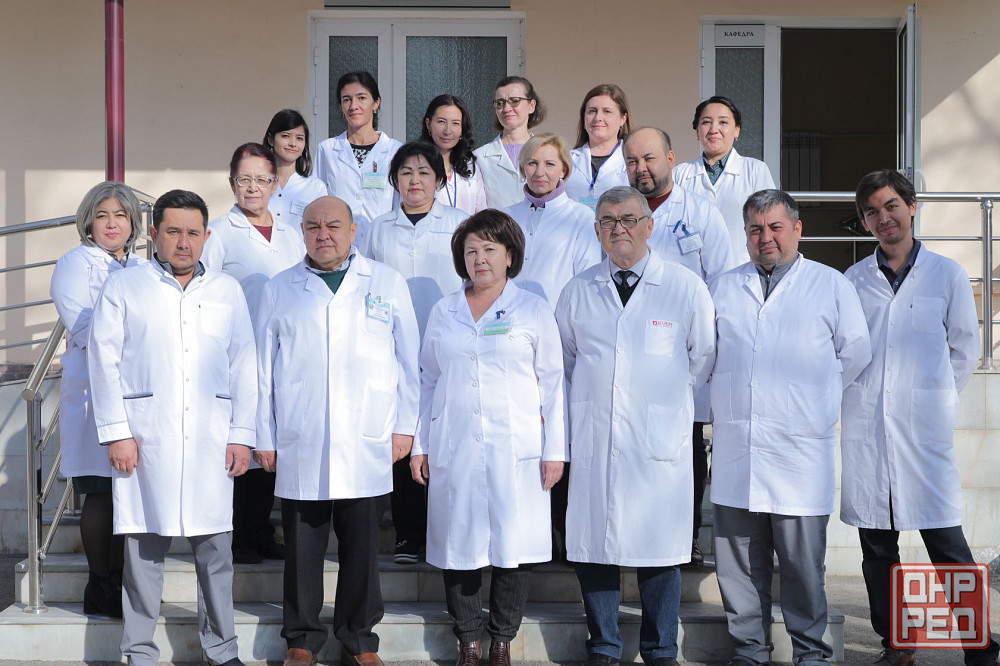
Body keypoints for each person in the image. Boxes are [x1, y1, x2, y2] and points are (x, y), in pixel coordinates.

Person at [88, 189, 256, 666]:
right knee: (143, 553)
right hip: (146, 438)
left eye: (193, 232)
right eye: (174, 231)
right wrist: (117, 432)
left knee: (216, 553)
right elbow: (103, 360)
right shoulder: (125, 287)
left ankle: (221, 650)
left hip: (211, 440)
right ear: (154, 234)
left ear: (206, 236)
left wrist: (242, 435)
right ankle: (139, 651)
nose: (184, 242)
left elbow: (245, 365)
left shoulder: (226, 290)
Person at [841, 169, 1000, 666]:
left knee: (947, 545)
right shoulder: (853, 280)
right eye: (872, 212)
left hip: (922, 430)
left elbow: (964, 348)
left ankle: (981, 646)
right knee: (877, 549)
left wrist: (935, 400)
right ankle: (897, 644)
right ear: (865, 223)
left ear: (911, 206)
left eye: (891, 206)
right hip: (869, 429)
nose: (883, 218)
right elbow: (845, 350)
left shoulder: (946, 274)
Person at [255, 196, 420, 666]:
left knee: (362, 546)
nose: (322, 234)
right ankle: (302, 639)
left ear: (353, 231)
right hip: (302, 432)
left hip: (367, 433)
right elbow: (261, 369)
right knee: (302, 546)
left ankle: (359, 639)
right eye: (313, 226)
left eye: (333, 225)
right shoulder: (280, 288)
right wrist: (264, 435)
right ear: (302, 232)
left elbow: (409, 362)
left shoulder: (385, 282)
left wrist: (405, 428)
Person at [709, 189, 871, 666]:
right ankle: (750, 651)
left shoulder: (830, 285)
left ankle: (810, 653)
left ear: (797, 229)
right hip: (739, 448)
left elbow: (856, 352)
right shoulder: (722, 287)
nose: (766, 237)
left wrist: (814, 397)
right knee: (739, 567)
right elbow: (704, 355)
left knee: (802, 567)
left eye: (776, 227)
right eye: (755, 229)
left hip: (799, 453)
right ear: (745, 234)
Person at [555, 186, 715, 666]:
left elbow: (702, 356)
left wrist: (659, 399)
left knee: (659, 546)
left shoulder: (684, 287)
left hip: (657, 439)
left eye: (628, 219)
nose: (618, 228)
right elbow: (566, 360)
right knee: (594, 544)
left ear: (649, 225)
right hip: (597, 434)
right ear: (596, 231)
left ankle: (660, 648)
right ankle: (604, 645)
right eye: (607, 221)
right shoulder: (578, 290)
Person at [410, 210, 567, 666]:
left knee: (513, 546)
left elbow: (552, 382)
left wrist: (555, 450)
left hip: (517, 447)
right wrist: (421, 444)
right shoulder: (444, 310)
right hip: (455, 443)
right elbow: (427, 380)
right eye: (471, 250)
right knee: (458, 544)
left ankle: (501, 640)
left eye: (490, 249)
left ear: (510, 256)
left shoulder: (532, 309)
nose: (480, 259)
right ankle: (468, 640)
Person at [624, 125, 733, 566]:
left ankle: (685, 537)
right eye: (632, 161)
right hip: (630, 353)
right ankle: (633, 533)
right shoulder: (619, 211)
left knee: (684, 446)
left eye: (649, 159)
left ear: (671, 160)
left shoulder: (701, 212)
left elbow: (721, 280)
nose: (641, 168)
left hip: (684, 352)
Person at [359, 141, 468, 564]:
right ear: (394, 180)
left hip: (447, 340)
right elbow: (366, 282)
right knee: (403, 429)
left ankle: (443, 530)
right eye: (406, 172)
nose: (415, 180)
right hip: (392, 344)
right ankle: (407, 533)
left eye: (424, 172)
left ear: (439, 180)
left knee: (442, 434)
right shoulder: (378, 228)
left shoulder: (458, 223)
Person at [203, 142, 305, 564]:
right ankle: (239, 535)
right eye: (244, 179)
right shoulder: (218, 234)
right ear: (232, 183)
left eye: (261, 180)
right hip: (238, 354)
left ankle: (261, 531)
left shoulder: (291, 233)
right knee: (244, 438)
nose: (252, 188)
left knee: (271, 440)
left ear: (275, 183)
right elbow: (206, 292)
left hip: (284, 352)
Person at [49, 181, 145, 618]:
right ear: (88, 221)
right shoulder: (74, 264)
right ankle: (100, 585)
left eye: (120, 215)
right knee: (101, 492)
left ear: (133, 222)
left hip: (135, 393)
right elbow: (87, 329)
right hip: (93, 392)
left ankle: (124, 582)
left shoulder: (141, 267)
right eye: (102, 215)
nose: (111, 224)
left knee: (130, 494)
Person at [673, 96, 776, 265]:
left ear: (737, 130)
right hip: (692, 270)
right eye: (706, 122)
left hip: (742, 267)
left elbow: (770, 221)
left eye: (723, 122)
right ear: (697, 131)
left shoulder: (755, 170)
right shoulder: (679, 174)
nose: (714, 129)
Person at [503, 133, 602, 304]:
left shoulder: (581, 217)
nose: (539, 172)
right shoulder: (505, 217)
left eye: (549, 164)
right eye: (532, 163)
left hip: (556, 315)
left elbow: (587, 280)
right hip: (507, 313)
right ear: (523, 169)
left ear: (563, 170)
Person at [315, 71, 402, 239]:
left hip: (382, 241)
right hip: (337, 242)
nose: (353, 106)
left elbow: (400, 204)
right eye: (346, 99)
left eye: (361, 98)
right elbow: (318, 201)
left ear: (376, 103)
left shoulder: (395, 151)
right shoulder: (327, 150)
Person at [474, 75, 546, 210]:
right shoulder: (479, 157)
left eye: (514, 101)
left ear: (531, 106)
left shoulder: (547, 152)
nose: (506, 108)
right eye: (500, 103)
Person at [565, 84, 633, 209]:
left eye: (607, 111)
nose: (598, 118)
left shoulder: (632, 160)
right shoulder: (566, 160)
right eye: (592, 111)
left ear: (623, 119)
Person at [419, 94, 487, 215]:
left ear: (462, 129)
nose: (447, 131)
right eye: (441, 122)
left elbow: (481, 213)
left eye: (455, 123)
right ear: (428, 124)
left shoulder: (471, 168)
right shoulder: (416, 166)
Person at [264, 108, 329, 231]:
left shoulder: (315, 188)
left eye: (299, 138)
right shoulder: (258, 183)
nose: (293, 144)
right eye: (285, 136)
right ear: (271, 140)